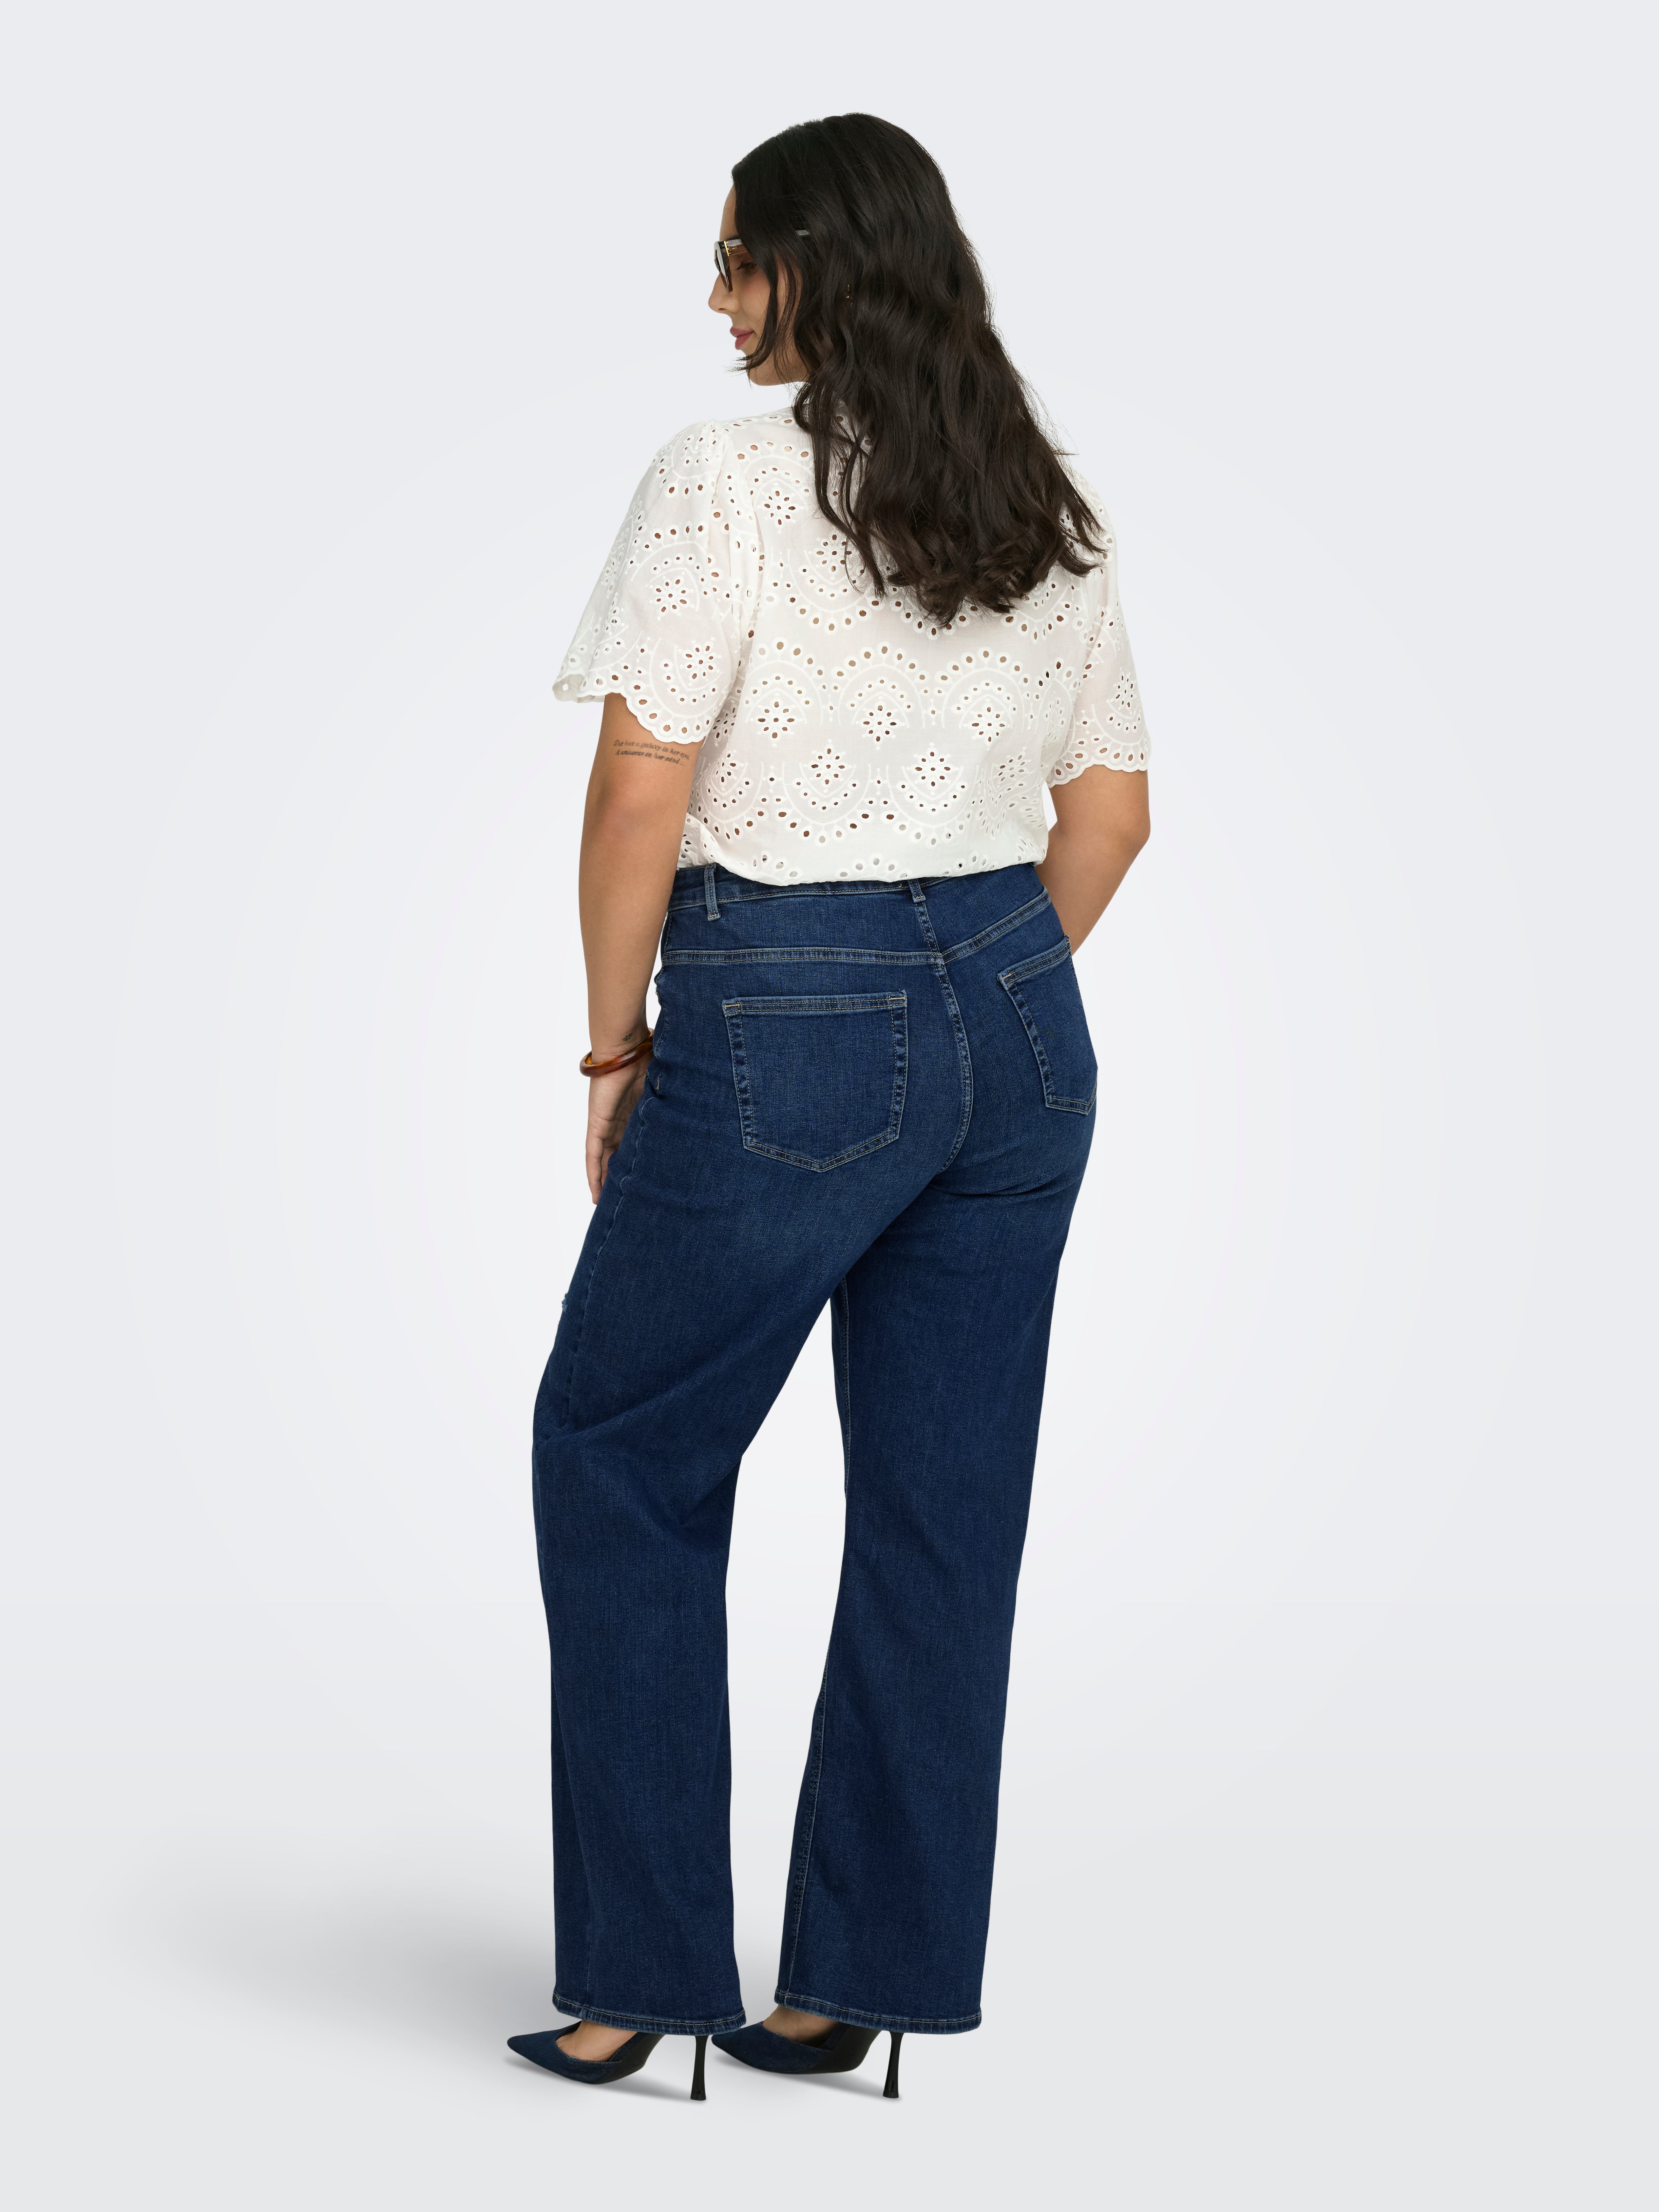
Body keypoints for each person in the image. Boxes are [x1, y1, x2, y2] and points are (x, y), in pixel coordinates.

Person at [507, 112, 1151, 2103]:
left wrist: (617, 1049)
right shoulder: (1035, 490)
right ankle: (858, 1981)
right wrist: (970, 995)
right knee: (946, 1513)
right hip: (1021, 1018)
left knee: (620, 1452)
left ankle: (638, 1984)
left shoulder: (724, 480)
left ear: (821, 264)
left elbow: (638, 792)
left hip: (785, 1006)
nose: (714, 300)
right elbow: (1112, 815)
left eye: (736, 259)